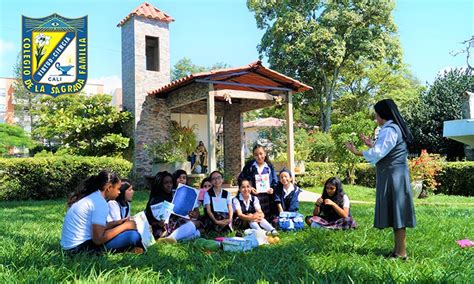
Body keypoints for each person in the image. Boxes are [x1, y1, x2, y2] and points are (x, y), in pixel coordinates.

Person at [345, 98, 416, 260]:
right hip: (395, 175)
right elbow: (384, 150)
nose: (375, 118)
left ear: (382, 114)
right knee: (396, 213)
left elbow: (379, 153)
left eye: (376, 115)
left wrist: (357, 152)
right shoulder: (393, 128)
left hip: (393, 176)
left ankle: (401, 252)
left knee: (398, 214)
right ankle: (398, 251)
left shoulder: (389, 129)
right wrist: (372, 145)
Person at [60, 170, 142, 255]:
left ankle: (130, 250)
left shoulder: (93, 198)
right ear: (109, 188)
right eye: (118, 189)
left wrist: (116, 223)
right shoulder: (100, 203)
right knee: (133, 235)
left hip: (69, 248)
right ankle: (133, 251)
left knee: (127, 233)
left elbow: (95, 228)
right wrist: (125, 226)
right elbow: (98, 239)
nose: (119, 192)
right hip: (79, 250)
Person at [145, 171, 201, 243]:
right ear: (159, 184)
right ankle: (171, 238)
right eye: (166, 183)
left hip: (170, 225)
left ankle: (173, 239)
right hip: (160, 229)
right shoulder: (155, 199)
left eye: (171, 183)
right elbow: (159, 221)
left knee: (198, 231)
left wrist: (188, 214)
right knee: (194, 224)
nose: (169, 185)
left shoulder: (171, 196)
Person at [238, 144, 278, 221]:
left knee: (267, 218)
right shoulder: (249, 166)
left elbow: (275, 182)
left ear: (265, 154)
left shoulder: (269, 167)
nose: (259, 157)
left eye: (261, 154)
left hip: (267, 197)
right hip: (253, 196)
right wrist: (250, 187)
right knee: (255, 217)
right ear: (253, 155)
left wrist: (272, 189)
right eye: (256, 155)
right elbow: (241, 179)